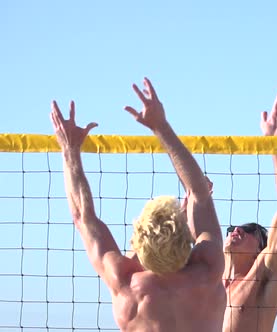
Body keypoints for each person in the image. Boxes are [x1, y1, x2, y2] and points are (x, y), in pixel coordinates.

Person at [50, 77, 226, 332]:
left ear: (139, 245)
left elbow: (82, 217)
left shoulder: (126, 284)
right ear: (184, 236)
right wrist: (161, 127)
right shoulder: (208, 269)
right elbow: (199, 192)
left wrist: (69, 150)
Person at [222, 88, 277, 332]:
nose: (237, 229)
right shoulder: (208, 279)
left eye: (248, 230)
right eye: (233, 227)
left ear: (260, 248)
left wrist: (276, 145)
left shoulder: (264, 273)